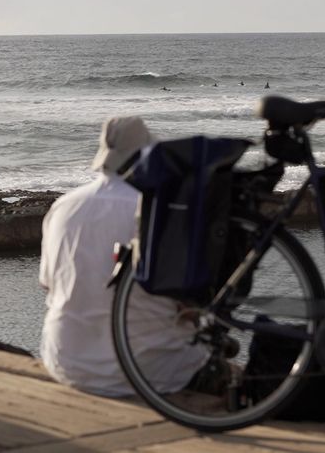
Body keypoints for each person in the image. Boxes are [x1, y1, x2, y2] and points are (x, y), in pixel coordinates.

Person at [39, 116, 208, 397]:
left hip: (68, 364)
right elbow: (189, 299)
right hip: (153, 372)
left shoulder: (63, 207)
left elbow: (47, 284)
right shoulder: (159, 213)